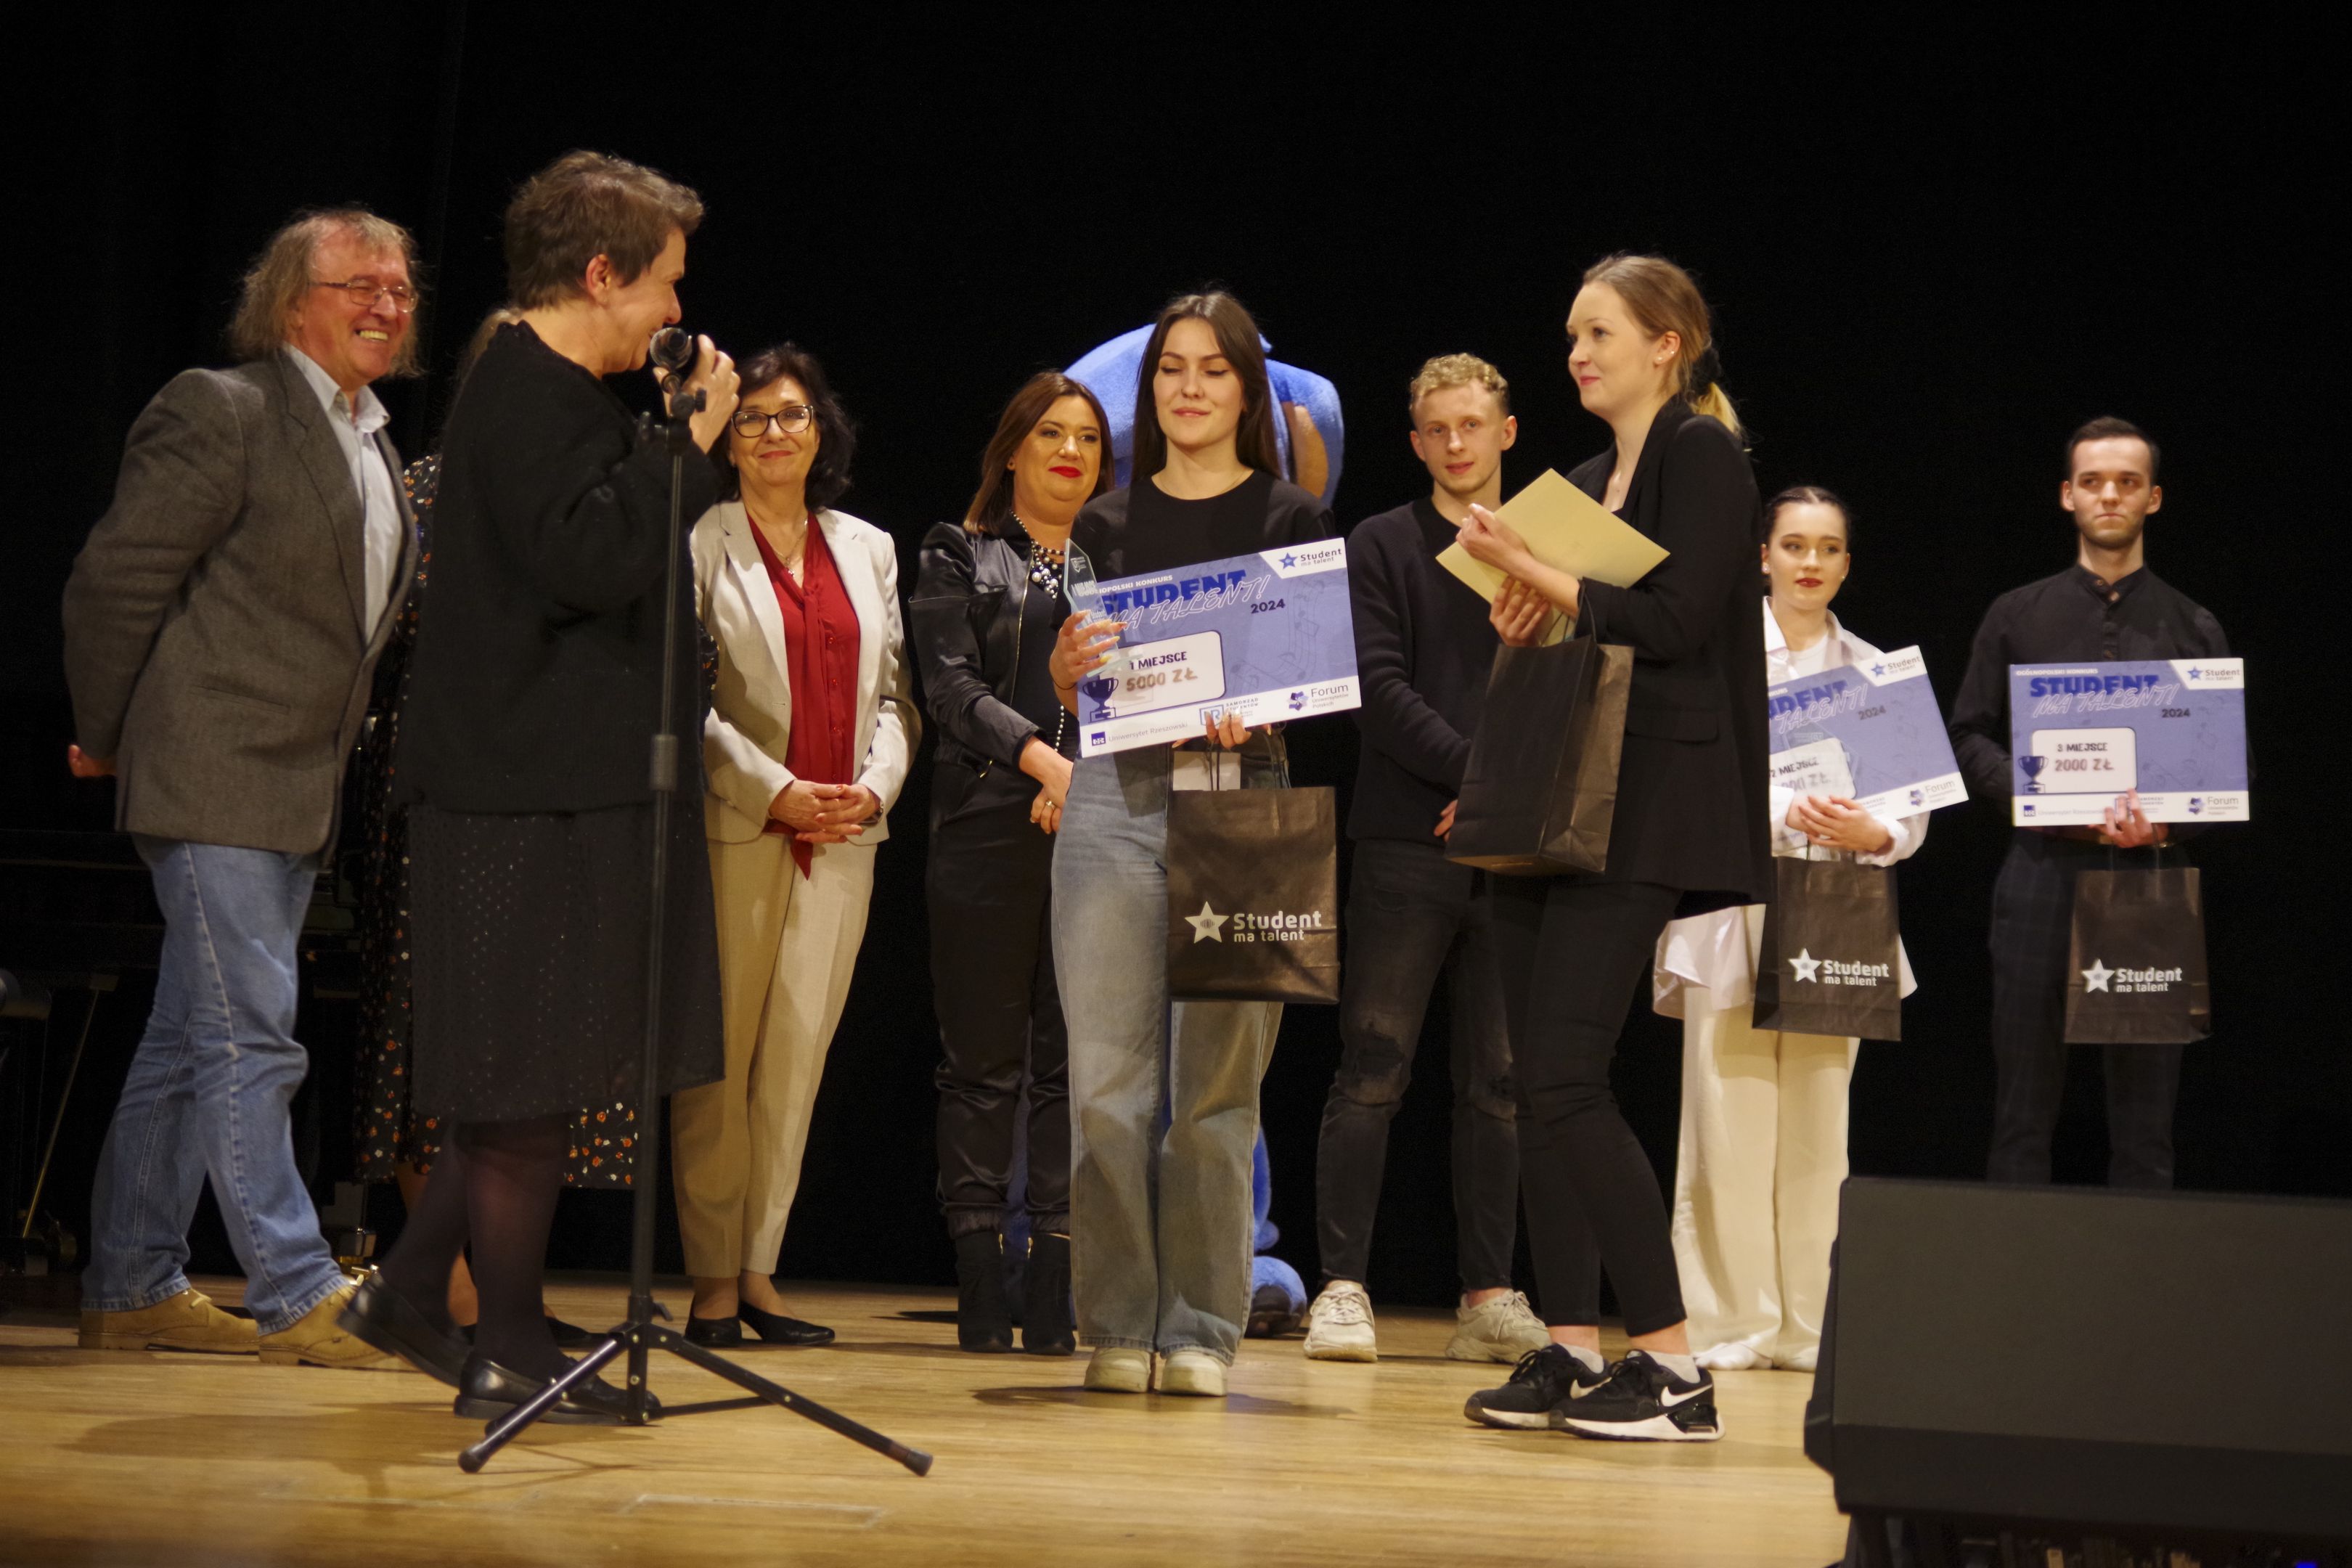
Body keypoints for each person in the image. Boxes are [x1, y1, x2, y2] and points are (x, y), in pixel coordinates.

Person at [337, 151, 739, 1424]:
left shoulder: (555, 392)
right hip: (519, 792)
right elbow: (588, 559)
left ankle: (418, 1293)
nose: (676, 311)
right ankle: (501, 1347)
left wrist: (661, 441)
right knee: (518, 1087)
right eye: (665, 283)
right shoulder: (522, 387)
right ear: (602, 273)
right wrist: (687, 444)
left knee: (537, 1075)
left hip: (557, 783)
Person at [61, 208, 422, 1371]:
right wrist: (107, 732)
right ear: (288, 301)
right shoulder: (223, 408)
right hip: (211, 769)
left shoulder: (374, 438)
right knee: (251, 1037)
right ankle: (296, 1285)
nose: (387, 303)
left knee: (189, 1038)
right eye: (360, 283)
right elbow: (115, 583)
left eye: (401, 287)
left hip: (296, 789)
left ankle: (131, 1282)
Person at [1451, 254, 1771, 1442]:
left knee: (1569, 1077)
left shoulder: (1701, 453)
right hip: (1561, 792)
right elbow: (1576, 623)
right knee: (1537, 1084)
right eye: (1573, 335)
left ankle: (1676, 1374)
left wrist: (1540, 573)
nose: (1578, 354)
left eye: (1600, 333)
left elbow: (1680, 622)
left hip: (1649, 800)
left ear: (1665, 344)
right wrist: (1524, 607)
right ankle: (1572, 1345)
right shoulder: (1587, 482)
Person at [1049, 291, 1334, 1398]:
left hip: (1241, 802)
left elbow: (1313, 677)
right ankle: (1120, 1322)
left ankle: (1204, 1328)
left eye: (1214, 369)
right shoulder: (1106, 522)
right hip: (1114, 801)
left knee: (1217, 1090)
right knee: (1106, 1085)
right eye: (1173, 367)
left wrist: (1255, 708)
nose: (1190, 387)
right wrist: (1065, 675)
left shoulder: (1291, 518)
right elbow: (1089, 680)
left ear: (1247, 388)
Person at [348, 307, 607, 1348]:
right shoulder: (429, 487)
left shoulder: (596, 485)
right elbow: (391, 630)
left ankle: (489, 1297)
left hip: (562, 797)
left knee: (528, 1060)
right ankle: (450, 1292)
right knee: (443, 1045)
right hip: (453, 795)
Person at [671, 344, 918, 1348]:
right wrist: (776, 791)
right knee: (720, 1065)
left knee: (797, 1061)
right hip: (741, 828)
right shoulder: (700, 539)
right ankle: (711, 1281)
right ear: (727, 441)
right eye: (754, 418)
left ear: (823, 432)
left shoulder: (869, 547)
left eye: (793, 415)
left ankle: (760, 1271)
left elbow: (896, 696)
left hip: (844, 836)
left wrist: (872, 788)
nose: (775, 433)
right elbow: (681, 699)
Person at [1301, 354, 1544, 1366]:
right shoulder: (1382, 541)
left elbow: (1577, 679)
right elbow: (1378, 685)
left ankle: (1488, 1295)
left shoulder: (1548, 543)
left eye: (1472, 425)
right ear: (1415, 442)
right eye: (1437, 429)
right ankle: (1342, 1287)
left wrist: (1503, 797)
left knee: (1502, 1081)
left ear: (1506, 432)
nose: (1455, 443)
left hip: (1520, 849)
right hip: (1410, 838)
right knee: (1373, 1065)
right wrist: (1478, 780)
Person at [1659, 486, 1927, 1373]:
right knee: (1727, 1122)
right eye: (1794, 545)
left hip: (1839, 909)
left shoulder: (1877, 670)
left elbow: (1911, 812)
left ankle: (1810, 1327)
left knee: (1819, 1127)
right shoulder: (1721, 655)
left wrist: (1876, 832)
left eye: (1829, 548)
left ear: (1847, 563)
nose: (1811, 562)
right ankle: (1731, 1323)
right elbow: (1695, 778)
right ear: (1762, 556)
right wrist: (1789, 816)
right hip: (1735, 900)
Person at [1949, 417, 2228, 1189]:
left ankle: (2141, 1269)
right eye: (2094, 481)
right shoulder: (2016, 613)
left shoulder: (2195, 625)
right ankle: (2014, 1265)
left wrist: (2170, 822)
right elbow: (1967, 736)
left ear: (2153, 498)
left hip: (2150, 878)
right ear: (2068, 495)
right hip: (2042, 871)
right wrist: (2042, 794)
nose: (2111, 495)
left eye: (2128, 482)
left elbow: (2222, 770)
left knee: (2147, 1125)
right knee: (2022, 1110)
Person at [910, 372, 1111, 1354]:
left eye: (1088, 439)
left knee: (1074, 1063)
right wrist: (1044, 761)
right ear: (1013, 450)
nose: (1071, 452)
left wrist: (1082, 779)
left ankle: (1058, 1277)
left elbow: (1150, 687)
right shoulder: (959, 551)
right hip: (987, 822)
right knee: (983, 1064)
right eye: (1051, 434)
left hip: (1099, 827)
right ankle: (983, 1277)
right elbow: (949, 688)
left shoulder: (1119, 565)